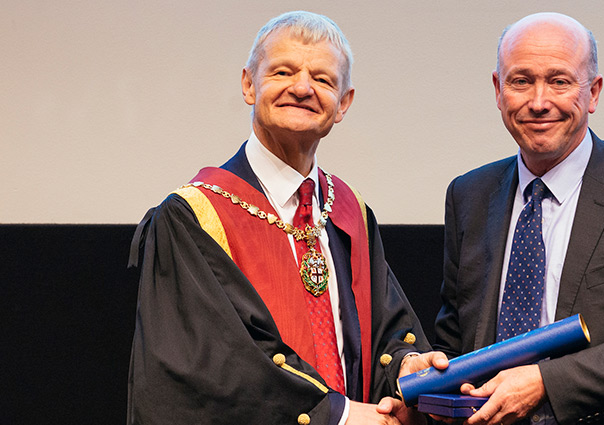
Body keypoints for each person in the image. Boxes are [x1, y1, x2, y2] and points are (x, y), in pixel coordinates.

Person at [127, 11, 429, 425]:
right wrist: (337, 416)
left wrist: (405, 367)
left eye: (323, 79)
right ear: (249, 85)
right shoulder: (192, 217)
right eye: (283, 71)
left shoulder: (349, 212)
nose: (303, 88)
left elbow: (384, 331)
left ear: (343, 103)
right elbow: (214, 369)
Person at [429, 12, 604, 425]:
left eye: (560, 81)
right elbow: (456, 338)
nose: (539, 101)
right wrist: (431, 386)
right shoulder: (469, 194)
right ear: (498, 89)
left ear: (594, 92)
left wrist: (548, 381)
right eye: (521, 80)